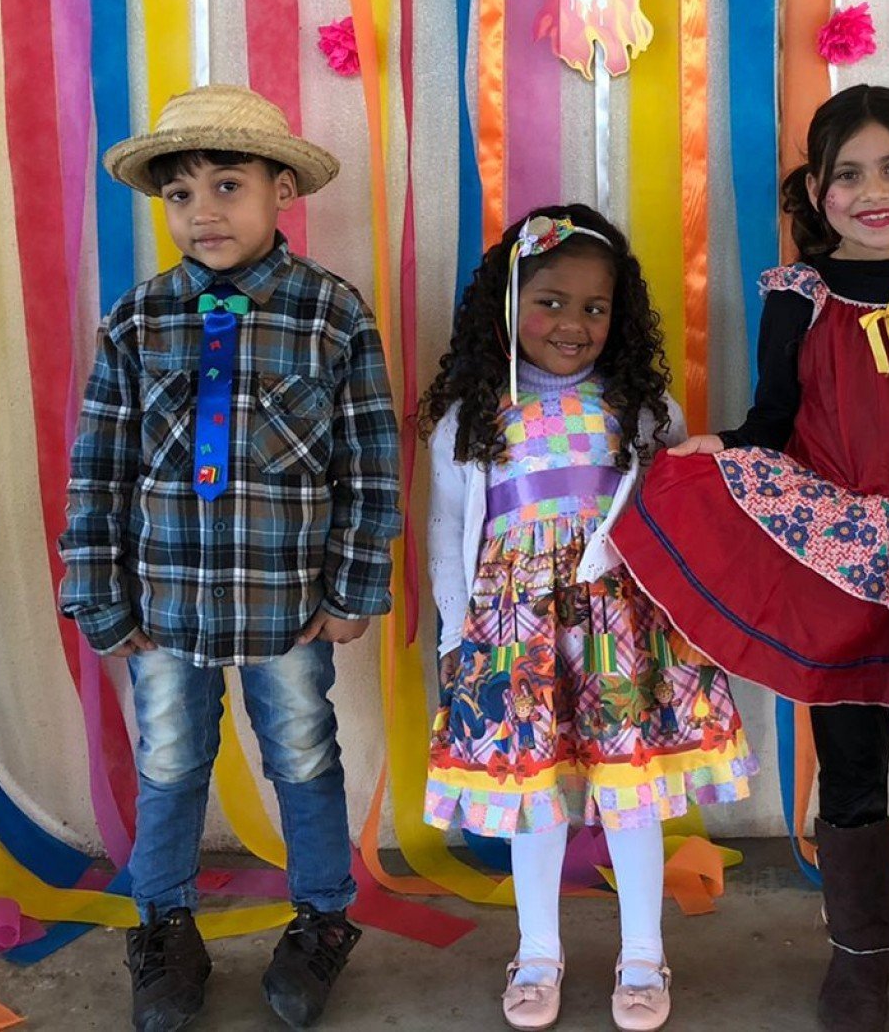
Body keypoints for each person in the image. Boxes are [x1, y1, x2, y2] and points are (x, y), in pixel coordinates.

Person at [611, 85, 889, 1032]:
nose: (874, 189)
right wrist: (721, 452)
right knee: (850, 768)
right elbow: (773, 425)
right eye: (847, 173)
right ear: (816, 193)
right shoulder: (796, 299)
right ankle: (858, 961)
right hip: (835, 570)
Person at [61, 85, 399, 1032]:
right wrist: (96, 590)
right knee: (169, 762)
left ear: (281, 188)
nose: (202, 211)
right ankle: (164, 924)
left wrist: (355, 584)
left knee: (304, 753)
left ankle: (324, 918)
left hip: (289, 606)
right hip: (165, 607)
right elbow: (100, 466)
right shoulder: (138, 320)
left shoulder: (333, 315)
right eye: (178, 195)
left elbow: (370, 459)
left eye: (227, 184)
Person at [422, 206, 755, 1031]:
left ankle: (643, 951)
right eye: (550, 301)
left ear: (621, 316)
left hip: (625, 632)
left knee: (631, 795)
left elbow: (679, 522)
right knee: (536, 800)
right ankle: (539, 950)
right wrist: (458, 633)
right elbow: (445, 529)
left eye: (595, 308)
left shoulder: (643, 412)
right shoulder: (470, 418)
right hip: (513, 635)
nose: (572, 324)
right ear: (505, 304)